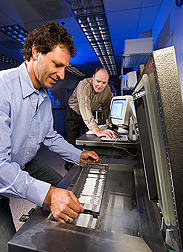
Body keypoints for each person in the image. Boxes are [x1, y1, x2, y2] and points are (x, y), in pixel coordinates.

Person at [0, 21, 99, 252]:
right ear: (36, 52)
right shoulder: (3, 88)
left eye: (65, 66)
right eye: (57, 64)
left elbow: (50, 137)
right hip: (3, 168)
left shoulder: (44, 94)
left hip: (22, 163)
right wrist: (47, 195)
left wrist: (79, 155)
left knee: (66, 188)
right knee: (10, 245)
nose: (62, 74)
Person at [64, 67, 117, 171]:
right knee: (72, 141)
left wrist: (108, 121)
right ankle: (69, 166)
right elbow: (84, 108)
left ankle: (89, 161)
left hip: (89, 114)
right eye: (98, 81)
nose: (100, 85)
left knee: (90, 140)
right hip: (73, 113)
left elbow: (106, 107)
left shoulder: (107, 90)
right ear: (93, 77)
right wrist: (97, 130)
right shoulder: (84, 85)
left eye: (104, 82)